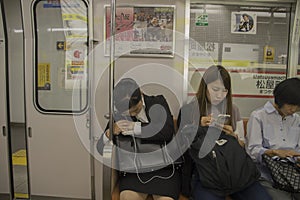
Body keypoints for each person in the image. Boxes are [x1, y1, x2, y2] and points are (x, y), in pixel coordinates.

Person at [177, 65, 271, 200]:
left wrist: (232, 135)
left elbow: (242, 145)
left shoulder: (233, 109)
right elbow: (179, 149)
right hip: (205, 172)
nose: (220, 95)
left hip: (235, 169)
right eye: (215, 89)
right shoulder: (189, 110)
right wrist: (197, 127)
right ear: (204, 87)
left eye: (224, 91)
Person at [98, 78, 180, 200]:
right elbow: (100, 148)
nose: (133, 115)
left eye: (136, 110)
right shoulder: (118, 115)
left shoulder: (158, 102)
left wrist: (135, 127)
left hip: (164, 170)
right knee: (127, 197)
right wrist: (110, 132)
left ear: (141, 94)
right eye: (128, 114)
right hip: (134, 171)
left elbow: (166, 132)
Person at [246, 77, 300, 200]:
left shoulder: (296, 119)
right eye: (291, 105)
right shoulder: (258, 116)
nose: (293, 110)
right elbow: (252, 151)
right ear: (280, 99)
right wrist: (273, 152)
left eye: (297, 107)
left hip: (292, 172)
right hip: (267, 173)